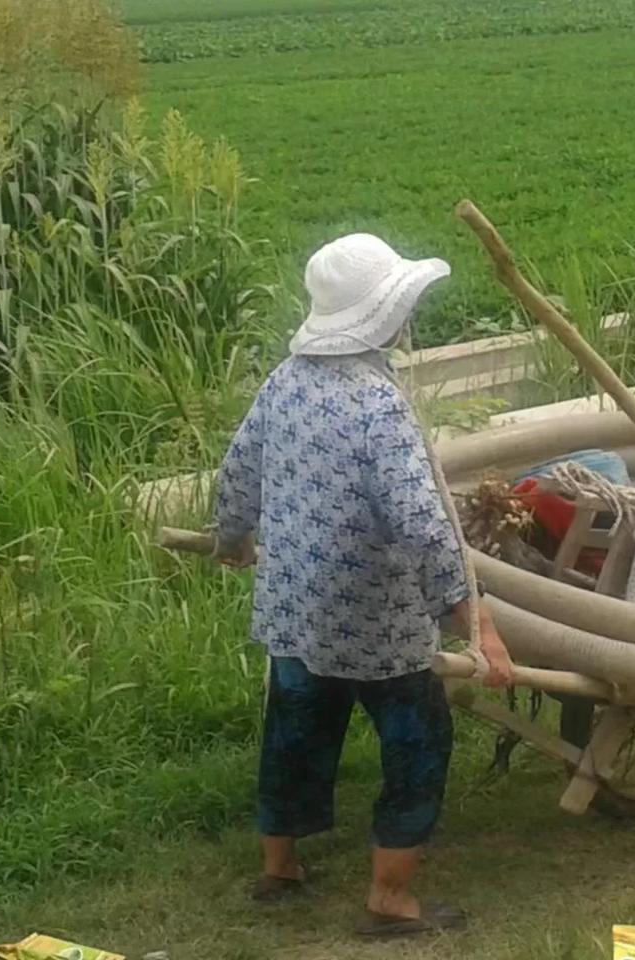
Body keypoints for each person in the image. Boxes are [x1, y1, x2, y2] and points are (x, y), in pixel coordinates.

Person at [212, 232, 514, 938]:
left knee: (293, 731)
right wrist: (478, 623)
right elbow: (421, 522)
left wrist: (234, 539)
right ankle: (390, 899)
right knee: (417, 742)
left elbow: (238, 472)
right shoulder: (378, 404)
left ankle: (279, 867)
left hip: (293, 610)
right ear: (385, 316)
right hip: (375, 619)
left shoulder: (284, 380)